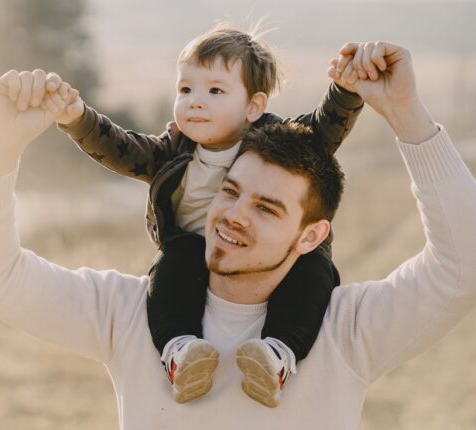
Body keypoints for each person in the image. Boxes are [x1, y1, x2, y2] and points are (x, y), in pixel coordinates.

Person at [0, 41, 476, 429]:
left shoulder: (347, 329)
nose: (234, 215)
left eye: (267, 207)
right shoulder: (129, 313)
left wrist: (406, 115)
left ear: (311, 236)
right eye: (230, 191)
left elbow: (464, 267)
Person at [53, 24, 364, 406]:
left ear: (254, 106)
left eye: (215, 91)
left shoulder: (273, 141)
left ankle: (277, 355)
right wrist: (76, 118)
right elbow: (121, 148)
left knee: (314, 271)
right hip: (197, 255)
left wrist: (346, 90)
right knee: (170, 264)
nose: (195, 101)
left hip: (271, 256)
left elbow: (320, 134)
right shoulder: (173, 150)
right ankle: (181, 353)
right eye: (185, 89)